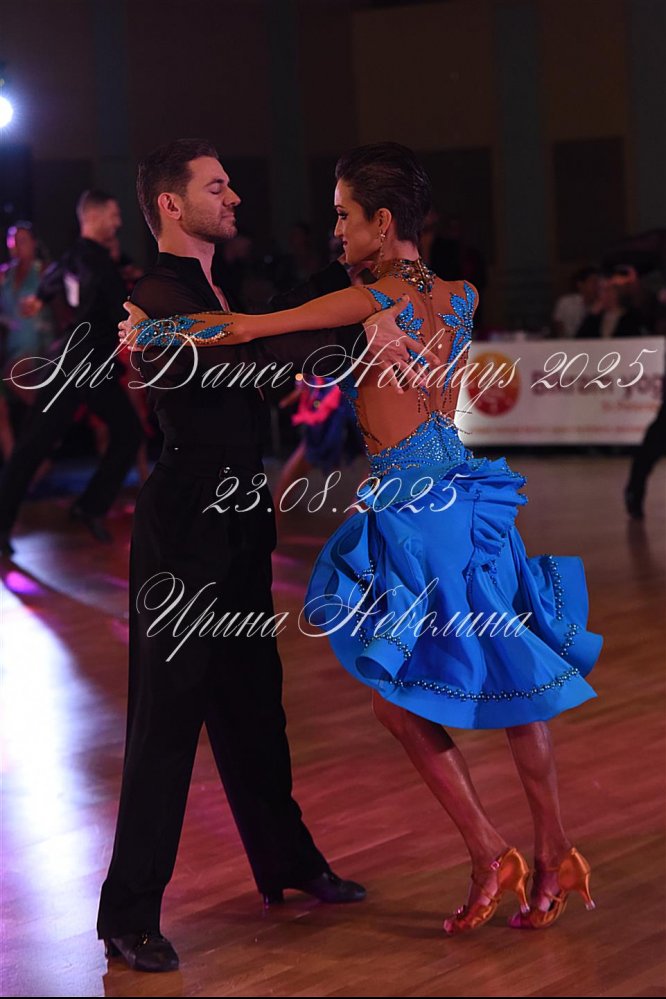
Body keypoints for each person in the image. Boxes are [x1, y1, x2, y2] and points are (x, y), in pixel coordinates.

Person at [125, 142, 603, 938]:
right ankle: (552, 852)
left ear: (382, 222)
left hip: (419, 517)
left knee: (399, 701)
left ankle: (492, 854)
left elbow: (246, 327)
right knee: (519, 684)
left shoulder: (369, 299)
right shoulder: (461, 295)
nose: (336, 232)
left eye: (345, 216)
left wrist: (154, 328)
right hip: (470, 495)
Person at [98, 138, 414, 974]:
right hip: (184, 532)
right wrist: (353, 317)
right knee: (167, 720)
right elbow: (258, 361)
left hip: (237, 520)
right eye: (217, 185)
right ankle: (127, 912)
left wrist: (355, 304)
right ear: (170, 204)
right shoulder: (155, 298)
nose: (234, 196)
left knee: (254, 706)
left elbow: (267, 351)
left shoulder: (212, 294)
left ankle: (287, 860)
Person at [0, 191, 143, 553]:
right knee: (33, 445)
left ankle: (89, 507)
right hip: (76, 364)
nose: (118, 222)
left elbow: (54, 277)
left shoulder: (77, 256)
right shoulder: (95, 261)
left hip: (88, 365)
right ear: (94, 216)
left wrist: (41, 297)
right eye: (113, 215)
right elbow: (117, 311)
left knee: (128, 432)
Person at [551, 266, 600, 339]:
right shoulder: (566, 302)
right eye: (593, 282)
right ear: (580, 284)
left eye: (598, 282)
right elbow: (559, 327)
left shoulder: (601, 305)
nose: (596, 286)